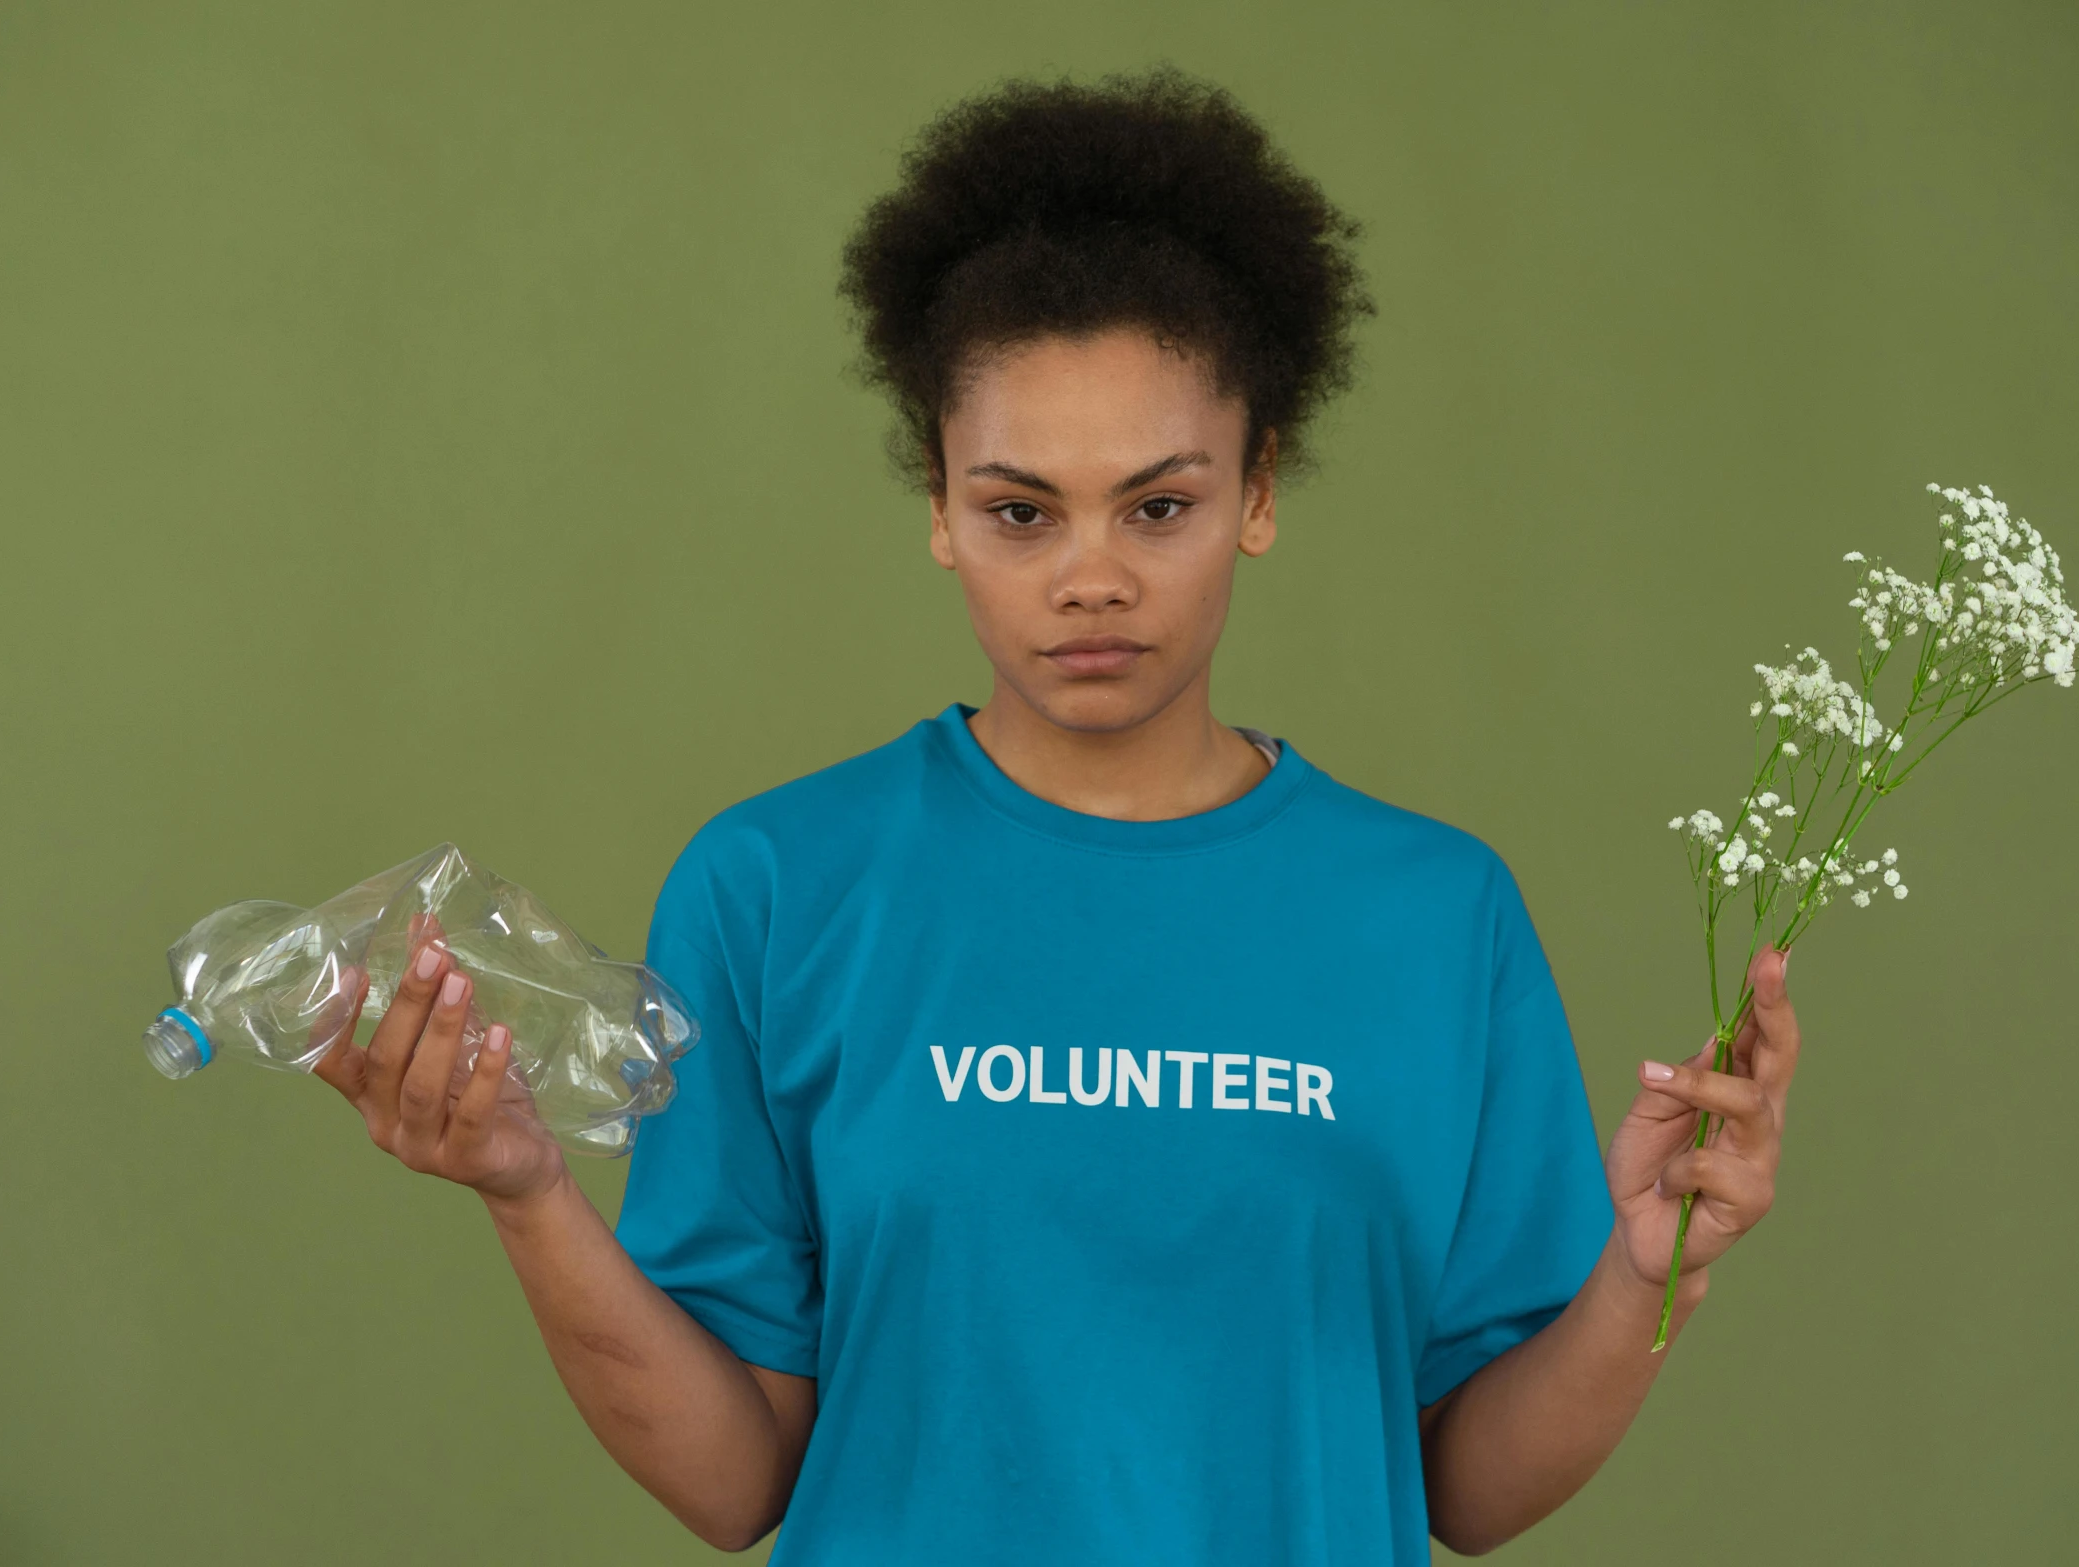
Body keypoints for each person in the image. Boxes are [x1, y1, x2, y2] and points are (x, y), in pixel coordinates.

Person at [310, 70, 1798, 1563]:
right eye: (1022, 510)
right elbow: (732, 1479)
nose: (1092, 577)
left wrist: (1640, 1276)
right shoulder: (776, 884)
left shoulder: (1434, 912)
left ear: (1258, 489)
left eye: (1157, 506)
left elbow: (1461, 1492)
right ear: (941, 507)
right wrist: (526, 1190)